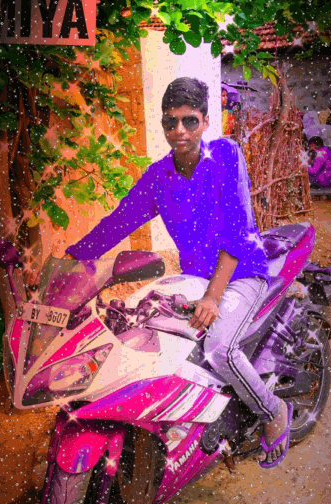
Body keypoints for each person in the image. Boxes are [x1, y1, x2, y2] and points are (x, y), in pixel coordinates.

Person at [65, 77, 292, 468]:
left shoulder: (225, 155)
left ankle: (273, 411)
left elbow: (236, 230)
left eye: (190, 120)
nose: (180, 131)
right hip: (195, 279)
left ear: (205, 121)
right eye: (171, 122)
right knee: (151, 336)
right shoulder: (159, 178)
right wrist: (73, 258)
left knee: (219, 347)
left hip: (242, 272)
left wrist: (213, 297)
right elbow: (119, 221)